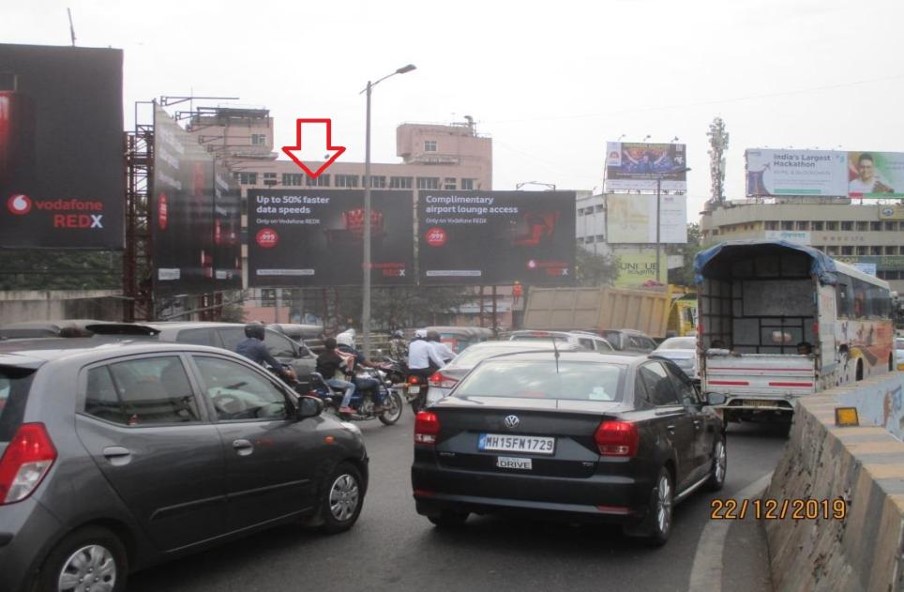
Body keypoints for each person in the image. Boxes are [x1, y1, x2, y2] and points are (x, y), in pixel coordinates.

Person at [336, 332, 385, 411]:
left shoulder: (335, 351)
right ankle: (378, 406)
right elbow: (366, 363)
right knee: (375, 382)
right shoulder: (352, 351)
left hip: (338, 380)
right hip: (351, 381)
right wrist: (375, 365)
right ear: (348, 341)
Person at [316, 337, 356, 414]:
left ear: (325, 346)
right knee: (351, 386)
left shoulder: (320, 356)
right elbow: (345, 370)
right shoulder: (336, 357)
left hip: (320, 380)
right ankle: (344, 406)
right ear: (335, 346)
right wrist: (352, 373)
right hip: (329, 380)